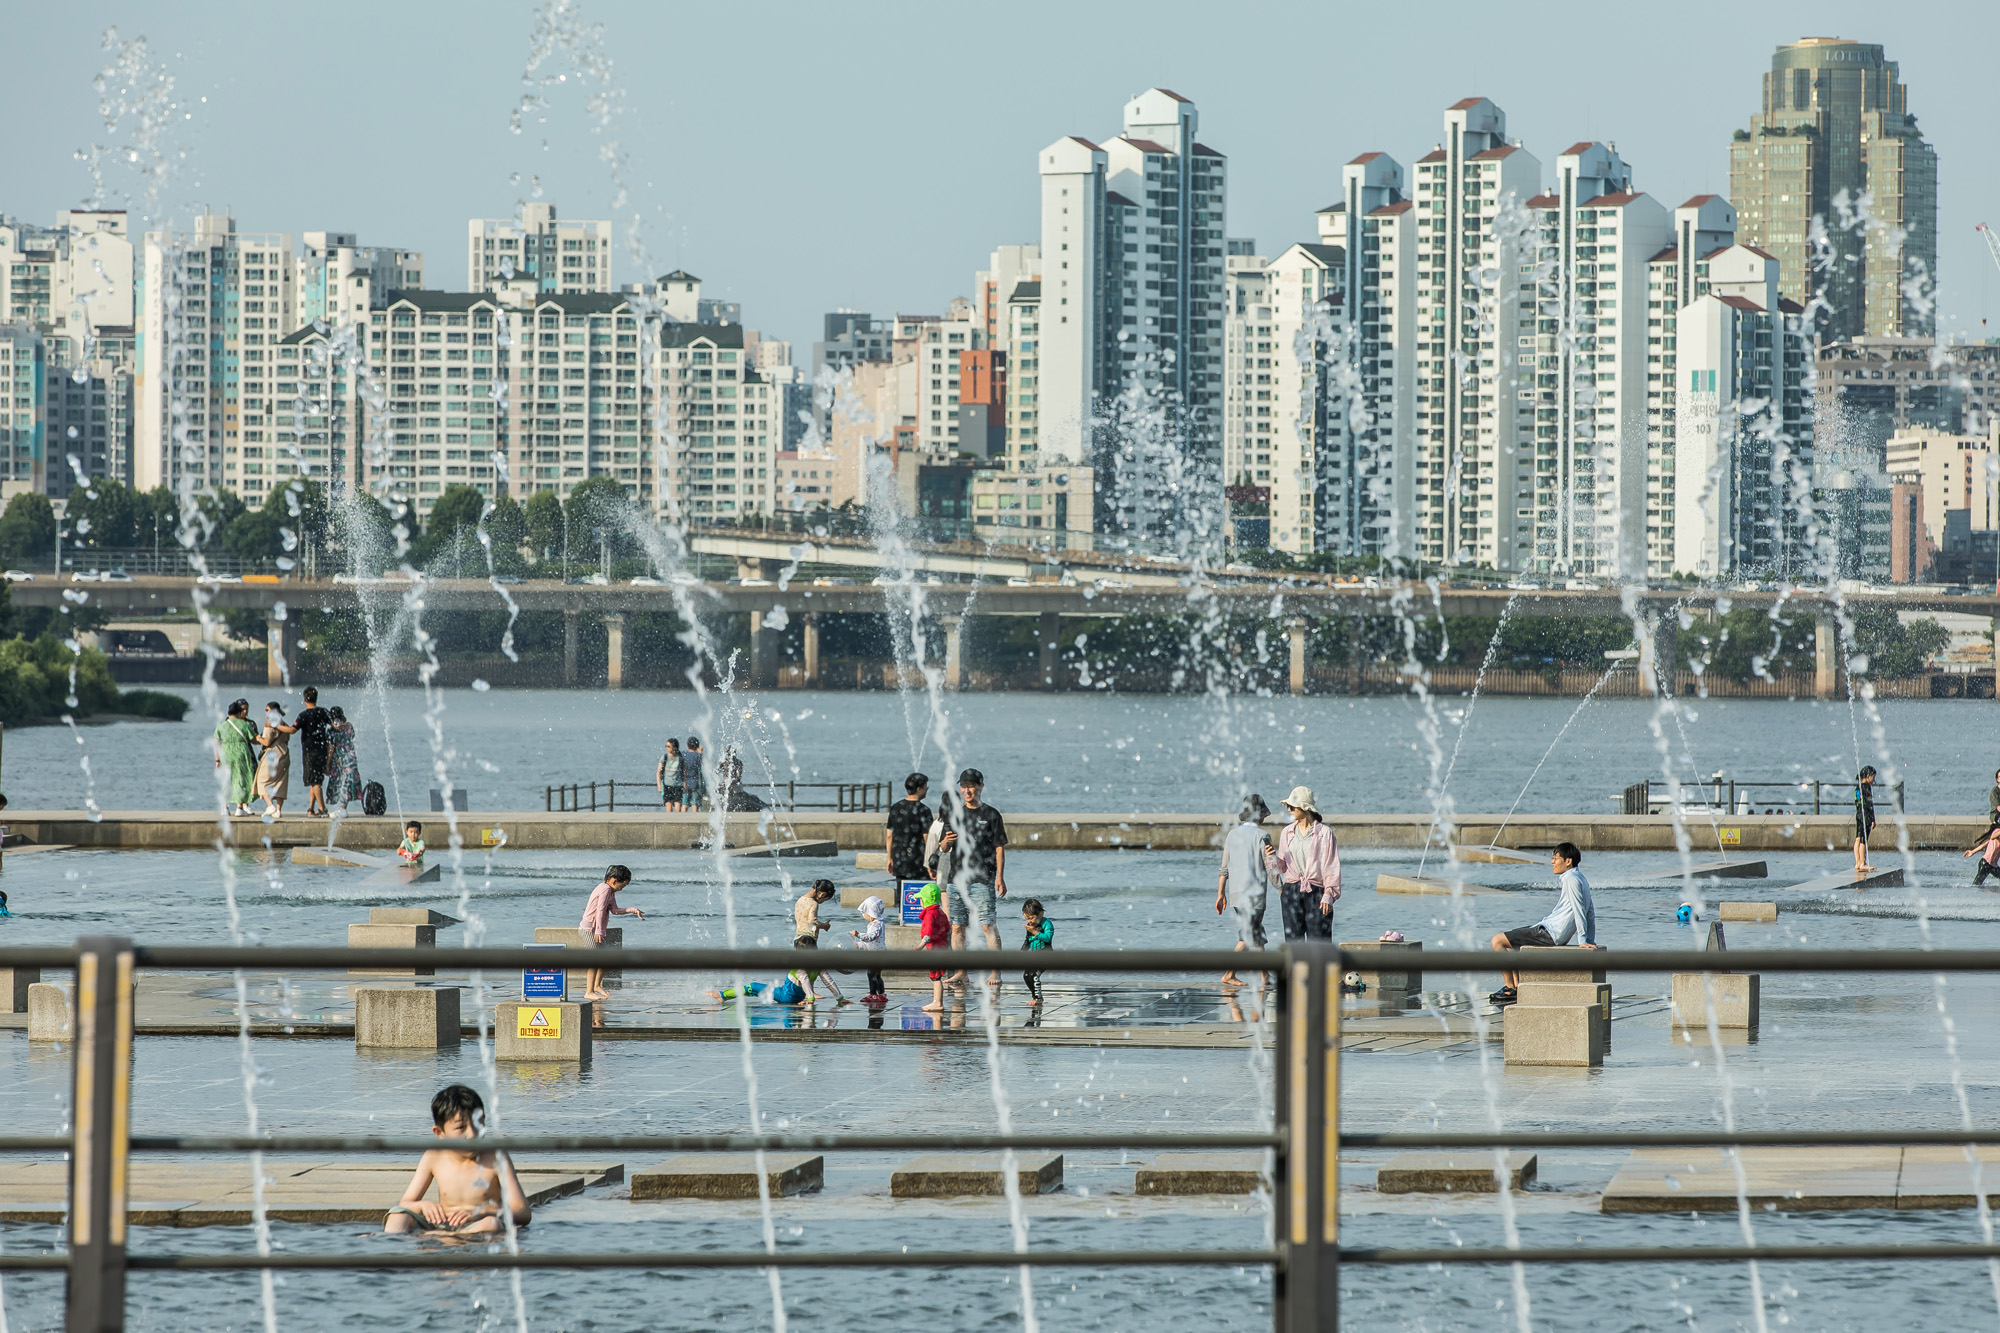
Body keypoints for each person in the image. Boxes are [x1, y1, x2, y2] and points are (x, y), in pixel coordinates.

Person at [383, 1084, 531, 1234]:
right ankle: (388, 1244)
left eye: (478, 1123)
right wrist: (423, 1206)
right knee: (397, 1215)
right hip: (441, 1225)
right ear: (439, 1132)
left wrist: (484, 1212)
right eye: (461, 1127)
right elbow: (406, 1203)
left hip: (477, 1225)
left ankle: (449, 1237)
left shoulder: (496, 1157)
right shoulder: (434, 1156)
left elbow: (523, 1212)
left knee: (491, 1224)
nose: (472, 1134)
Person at [1487, 842, 1599, 1007]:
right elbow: (1590, 912)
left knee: (1496, 941)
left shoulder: (1570, 879)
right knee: (1509, 938)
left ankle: (1510, 987)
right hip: (1549, 929)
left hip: (1550, 933)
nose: (1552, 862)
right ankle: (1517, 987)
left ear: (1568, 861)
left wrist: (1583, 940)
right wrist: (1590, 938)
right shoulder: (1580, 878)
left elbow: (1579, 910)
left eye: (1555, 858)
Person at [934, 767, 1008, 982]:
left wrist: (1000, 877)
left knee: (987, 925)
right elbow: (944, 847)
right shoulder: (954, 813)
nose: (967, 791)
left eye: (971, 787)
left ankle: (996, 971)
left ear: (981, 787)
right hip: (956, 879)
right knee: (957, 927)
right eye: (964, 787)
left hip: (983, 879)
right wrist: (946, 842)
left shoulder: (991, 814)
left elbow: (999, 848)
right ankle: (961, 972)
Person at [1265, 786, 1338, 941]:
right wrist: (1272, 857)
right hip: (1291, 892)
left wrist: (1328, 895)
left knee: (1319, 943)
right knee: (1293, 943)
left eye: (1292, 806)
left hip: (1317, 892)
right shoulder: (1287, 832)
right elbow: (1282, 867)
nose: (1289, 809)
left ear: (1304, 808)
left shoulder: (1325, 833)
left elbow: (1331, 867)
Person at [1216, 795, 1273, 987]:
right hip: (1254, 896)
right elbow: (1270, 868)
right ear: (1260, 816)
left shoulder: (1232, 835)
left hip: (1235, 896)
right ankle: (1229, 973)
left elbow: (1224, 868)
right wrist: (1282, 888)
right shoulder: (1262, 836)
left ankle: (1264, 976)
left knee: (1256, 933)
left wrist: (1220, 894)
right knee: (1248, 935)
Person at [580, 864, 645, 1002]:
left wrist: (633, 910)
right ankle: (589, 991)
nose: (623, 888)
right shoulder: (604, 889)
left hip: (596, 930)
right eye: (623, 885)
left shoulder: (610, 891)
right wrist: (599, 930)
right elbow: (600, 910)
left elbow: (614, 910)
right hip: (589, 930)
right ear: (614, 880)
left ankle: (597, 985)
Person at [214, 698, 260, 816]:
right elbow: (253, 740)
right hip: (241, 755)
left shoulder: (221, 725)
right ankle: (240, 808)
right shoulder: (245, 724)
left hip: (225, 755)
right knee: (241, 780)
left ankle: (225, 807)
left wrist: (217, 759)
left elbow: (216, 743)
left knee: (227, 780)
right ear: (239, 712)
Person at [885, 772, 933, 884]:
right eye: (926, 787)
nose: (926, 790)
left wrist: (890, 858)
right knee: (921, 894)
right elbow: (927, 839)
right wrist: (930, 862)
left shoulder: (895, 808)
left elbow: (889, 836)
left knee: (902, 894)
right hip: (919, 862)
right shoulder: (924, 810)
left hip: (900, 861)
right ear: (919, 789)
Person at [253, 701, 296, 819]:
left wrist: (258, 738)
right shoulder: (283, 724)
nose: (265, 712)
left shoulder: (269, 725)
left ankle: (270, 805)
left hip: (272, 755)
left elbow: (266, 742)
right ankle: (278, 810)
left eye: (267, 710)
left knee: (262, 780)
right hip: (284, 754)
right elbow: (287, 738)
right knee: (280, 782)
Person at [294, 687, 331, 818]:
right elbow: (334, 724)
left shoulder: (303, 715)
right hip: (322, 752)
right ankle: (311, 808)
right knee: (314, 781)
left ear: (304, 699)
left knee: (315, 783)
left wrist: (277, 726)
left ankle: (322, 809)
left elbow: (292, 730)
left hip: (309, 753)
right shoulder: (323, 712)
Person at [918, 882, 951, 1013]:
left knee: (936, 977)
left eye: (921, 899)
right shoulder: (940, 912)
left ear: (925, 900)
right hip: (942, 948)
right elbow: (947, 929)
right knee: (937, 976)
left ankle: (937, 1002)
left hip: (934, 950)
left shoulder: (929, 915)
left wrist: (919, 947)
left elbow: (928, 934)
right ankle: (937, 1001)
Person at [323, 706, 362, 811]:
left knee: (338, 783)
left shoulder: (331, 731)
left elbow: (330, 748)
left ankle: (340, 808)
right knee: (347, 782)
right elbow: (351, 736)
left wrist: (327, 763)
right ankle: (343, 808)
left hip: (338, 761)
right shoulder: (349, 727)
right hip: (350, 759)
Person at [851, 895, 889, 1003]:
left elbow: (871, 937)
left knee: (871, 974)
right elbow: (871, 942)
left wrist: (858, 934)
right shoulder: (879, 923)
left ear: (871, 913)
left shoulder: (876, 924)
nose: (864, 916)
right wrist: (859, 944)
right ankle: (881, 994)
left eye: (865, 913)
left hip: (875, 955)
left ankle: (873, 995)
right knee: (877, 975)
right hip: (879, 952)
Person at [1020, 897, 1053, 1007]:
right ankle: (1035, 996)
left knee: (1035, 974)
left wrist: (1034, 931)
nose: (1029, 921)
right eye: (1027, 919)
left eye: (1031, 918)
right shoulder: (1030, 926)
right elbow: (1027, 941)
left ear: (1041, 913)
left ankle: (1038, 999)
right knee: (1026, 975)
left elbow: (1048, 938)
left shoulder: (1047, 924)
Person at [793, 878, 836, 949]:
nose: (822, 902)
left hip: (797, 939)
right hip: (808, 941)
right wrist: (824, 926)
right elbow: (812, 922)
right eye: (824, 900)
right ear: (822, 894)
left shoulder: (800, 900)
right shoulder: (813, 904)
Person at [1855, 766, 1878, 873]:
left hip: (1858, 815)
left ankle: (1858, 862)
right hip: (1866, 816)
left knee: (1858, 838)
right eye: (1873, 777)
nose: (1874, 780)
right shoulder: (1867, 788)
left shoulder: (1857, 788)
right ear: (1868, 776)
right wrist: (1872, 819)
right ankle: (1863, 863)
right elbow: (1869, 804)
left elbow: (1859, 803)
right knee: (1864, 839)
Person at [657, 738, 685, 812]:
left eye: (669, 746)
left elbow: (684, 771)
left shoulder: (680, 758)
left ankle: (678, 822)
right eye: (666, 746)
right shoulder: (664, 757)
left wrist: (685, 783)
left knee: (678, 807)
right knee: (668, 806)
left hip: (678, 785)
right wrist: (659, 785)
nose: (667, 748)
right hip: (667, 785)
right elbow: (658, 772)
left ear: (674, 747)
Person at [683, 736, 708, 810]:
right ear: (697, 746)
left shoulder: (683, 754)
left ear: (688, 745)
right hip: (695, 782)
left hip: (685, 782)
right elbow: (701, 763)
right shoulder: (698, 756)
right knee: (695, 803)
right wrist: (700, 751)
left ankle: (681, 818)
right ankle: (695, 818)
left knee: (684, 803)